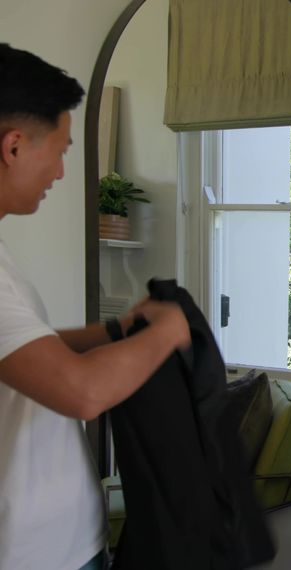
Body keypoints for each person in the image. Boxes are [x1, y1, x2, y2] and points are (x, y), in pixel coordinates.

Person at [0, 44, 192, 570]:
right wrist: (167, 331)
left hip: (60, 542)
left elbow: (23, 356)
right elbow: (81, 394)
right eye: (60, 150)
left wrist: (119, 329)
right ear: (13, 146)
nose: (62, 172)